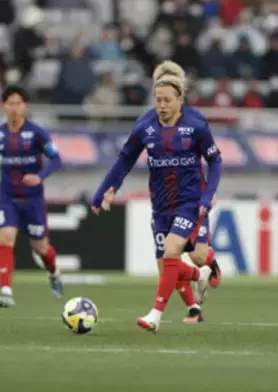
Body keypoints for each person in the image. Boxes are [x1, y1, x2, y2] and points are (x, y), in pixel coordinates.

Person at [91, 60, 223, 332]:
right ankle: (199, 281)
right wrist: (104, 190)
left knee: (183, 252)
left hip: (191, 201)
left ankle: (155, 315)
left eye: (167, 100)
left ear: (180, 98)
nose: (161, 105)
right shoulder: (144, 125)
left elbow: (215, 161)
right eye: (157, 100)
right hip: (162, 204)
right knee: (167, 267)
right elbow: (124, 159)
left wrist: (207, 196)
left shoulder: (196, 124)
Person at [0, 86, 63, 308]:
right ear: (3, 106)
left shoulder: (37, 133)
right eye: (10, 103)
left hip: (33, 199)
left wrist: (39, 177)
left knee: (41, 248)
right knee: (6, 239)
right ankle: (6, 291)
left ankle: (54, 272)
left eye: (18, 103)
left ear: (25, 106)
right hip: (8, 197)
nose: (14, 108)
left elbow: (56, 159)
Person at [102, 188, 220, 324]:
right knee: (167, 269)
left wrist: (210, 192)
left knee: (198, 258)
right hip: (163, 212)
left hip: (192, 208)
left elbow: (208, 174)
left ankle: (210, 263)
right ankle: (194, 307)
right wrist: (109, 189)